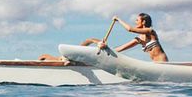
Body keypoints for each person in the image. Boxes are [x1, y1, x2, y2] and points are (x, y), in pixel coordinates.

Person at [38, 13, 168, 62]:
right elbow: (120, 49)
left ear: (143, 22)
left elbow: (129, 29)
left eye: (137, 20)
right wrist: (105, 48)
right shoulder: (139, 39)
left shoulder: (151, 32)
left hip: (163, 64)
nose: (135, 22)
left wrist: (118, 19)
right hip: (155, 65)